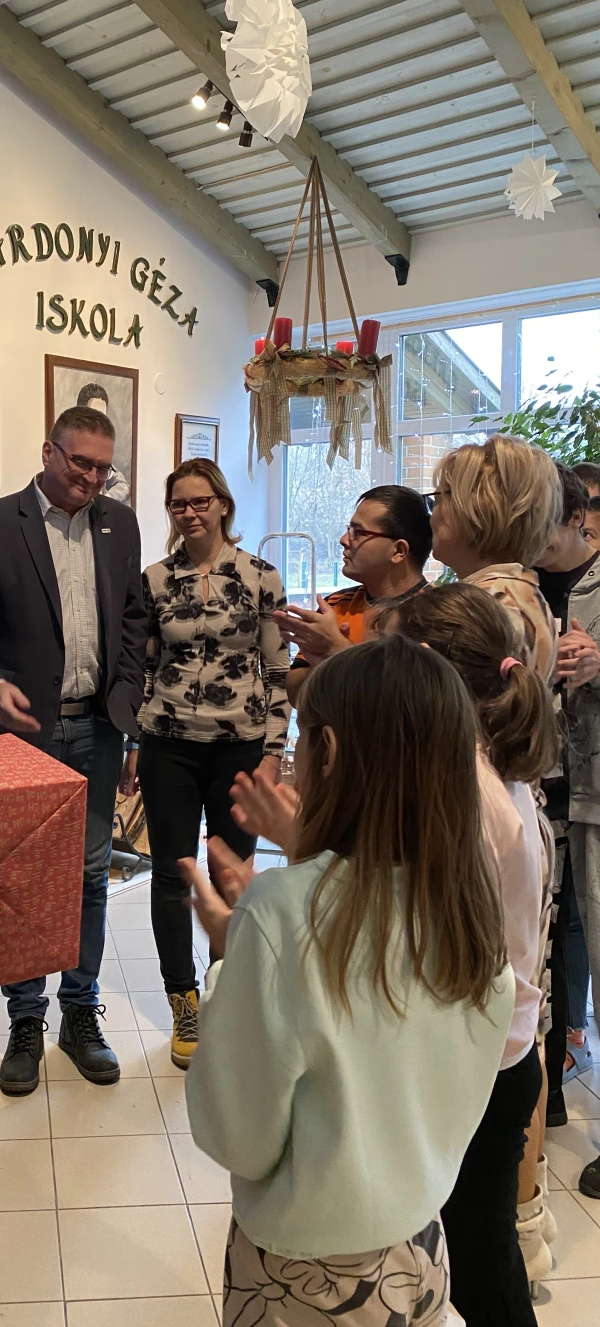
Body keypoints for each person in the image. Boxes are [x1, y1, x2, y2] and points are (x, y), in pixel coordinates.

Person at [182, 635, 514, 1327]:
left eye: (300, 738)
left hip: (305, 1272)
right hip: (422, 1244)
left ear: (327, 751)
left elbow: (236, 1136)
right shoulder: (470, 908)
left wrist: (230, 961)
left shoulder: (280, 913)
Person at [0, 405, 147, 1094]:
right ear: (48, 451)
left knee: (91, 876)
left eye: (102, 468)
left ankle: (80, 1012)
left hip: (98, 727)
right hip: (26, 731)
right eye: (79, 462)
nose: (91, 478)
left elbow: (133, 626)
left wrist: (130, 711)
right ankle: (25, 1019)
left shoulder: (120, 526)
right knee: (23, 879)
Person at [390, 584, 558, 1324]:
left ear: (426, 668)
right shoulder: (482, 767)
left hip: (480, 1065)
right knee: (474, 1252)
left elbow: (433, 946)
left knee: (483, 1265)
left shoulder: (467, 793)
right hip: (492, 1052)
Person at [129, 457, 288, 1068]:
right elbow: (144, 668)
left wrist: (273, 752)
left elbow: (277, 671)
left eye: (201, 501)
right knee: (172, 874)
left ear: (222, 504)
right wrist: (135, 741)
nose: (190, 513)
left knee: (230, 872)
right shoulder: (154, 580)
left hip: (239, 747)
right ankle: (184, 1001)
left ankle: (222, 990)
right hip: (168, 744)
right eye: (179, 503)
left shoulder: (259, 577)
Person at [533, 468, 600, 1197]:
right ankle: (545, 1089)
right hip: (538, 787)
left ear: (579, 517)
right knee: (543, 947)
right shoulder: (516, 586)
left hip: (597, 792)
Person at [277, 485, 431, 705]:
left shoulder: (438, 614)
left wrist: (337, 650)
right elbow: (296, 695)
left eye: (358, 533)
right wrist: (324, 658)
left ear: (398, 551)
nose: (344, 539)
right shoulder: (335, 605)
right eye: (349, 529)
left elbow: (414, 702)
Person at [427, 435, 561, 681]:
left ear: (475, 508)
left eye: (437, 499)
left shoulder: (478, 607)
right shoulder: (525, 594)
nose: (432, 516)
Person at [76, 382, 130, 502]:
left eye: (102, 417)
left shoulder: (99, 454)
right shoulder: (67, 450)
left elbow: (124, 486)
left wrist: (103, 501)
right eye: (94, 416)